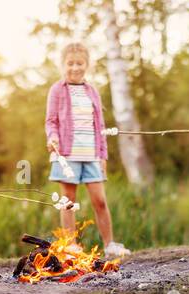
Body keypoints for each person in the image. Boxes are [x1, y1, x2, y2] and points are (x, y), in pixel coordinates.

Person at [45, 42, 129, 256]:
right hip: (67, 154)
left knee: (100, 201)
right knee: (68, 202)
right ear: (63, 65)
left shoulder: (92, 91)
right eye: (70, 63)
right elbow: (51, 121)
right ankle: (71, 246)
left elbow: (100, 127)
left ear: (87, 65)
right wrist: (52, 138)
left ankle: (110, 245)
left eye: (79, 63)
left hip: (91, 154)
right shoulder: (57, 90)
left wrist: (103, 156)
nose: (75, 67)